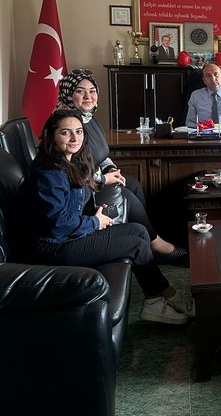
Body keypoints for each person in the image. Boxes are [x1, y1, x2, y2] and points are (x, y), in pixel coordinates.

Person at [25, 110, 196, 325]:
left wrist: (96, 201)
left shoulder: (69, 161)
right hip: (55, 246)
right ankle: (158, 299)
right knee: (136, 245)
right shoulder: (49, 173)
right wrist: (95, 222)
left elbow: (78, 189)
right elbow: (57, 224)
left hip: (70, 235)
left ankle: (161, 295)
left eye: (79, 131)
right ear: (52, 136)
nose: (75, 138)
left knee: (139, 231)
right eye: (65, 132)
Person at [58, 69, 186, 261]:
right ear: (68, 94)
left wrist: (111, 169)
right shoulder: (67, 125)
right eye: (80, 91)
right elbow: (71, 173)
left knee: (133, 185)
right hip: (82, 191)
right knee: (126, 194)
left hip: (95, 178)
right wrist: (104, 178)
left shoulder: (88, 118)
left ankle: (146, 237)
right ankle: (155, 243)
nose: (88, 96)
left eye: (92, 91)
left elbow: (102, 155)